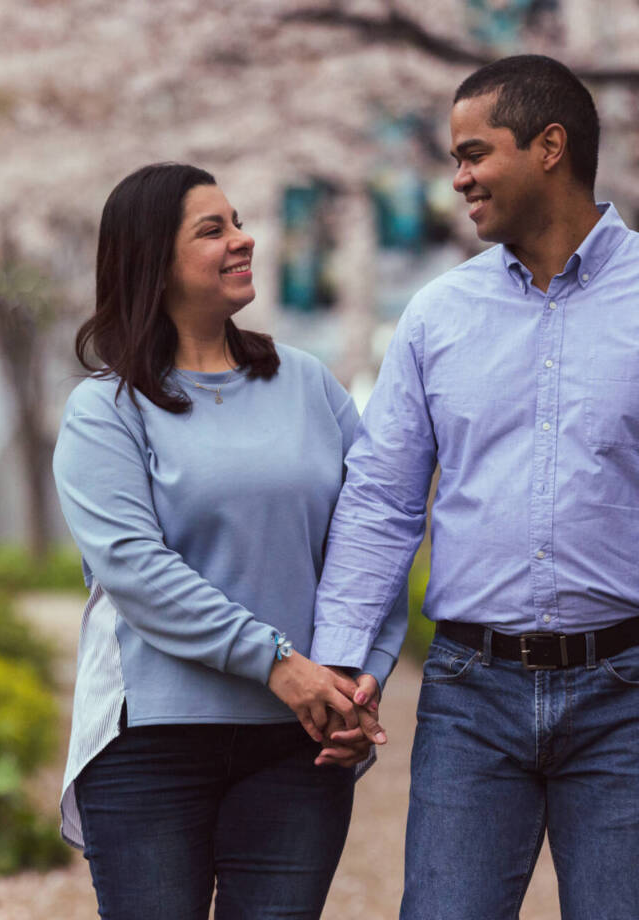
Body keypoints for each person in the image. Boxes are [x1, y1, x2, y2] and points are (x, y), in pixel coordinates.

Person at [310, 55, 639, 919]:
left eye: (473, 154)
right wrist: (343, 662)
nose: (456, 181)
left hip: (627, 692)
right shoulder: (436, 315)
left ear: (550, 147)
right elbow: (382, 500)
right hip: (470, 692)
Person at [52, 163, 407, 919]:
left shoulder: (309, 384)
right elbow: (136, 572)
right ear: (153, 259)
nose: (244, 240)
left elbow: (373, 532)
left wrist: (356, 673)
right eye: (213, 230)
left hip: (299, 744)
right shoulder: (106, 410)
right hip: (149, 743)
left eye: (238, 221)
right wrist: (279, 663)